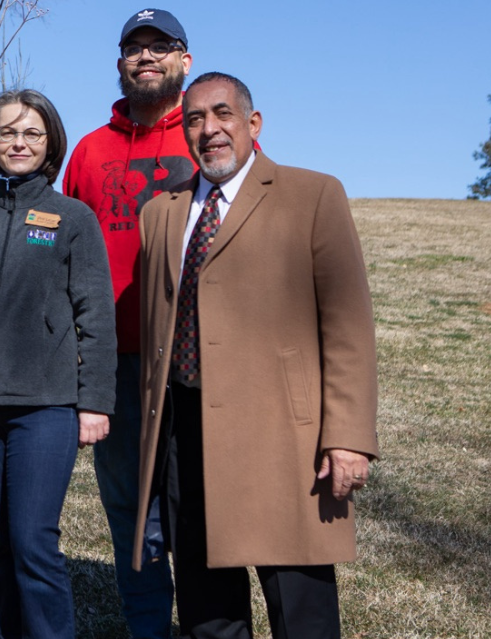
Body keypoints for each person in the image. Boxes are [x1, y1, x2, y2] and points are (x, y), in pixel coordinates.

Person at [134, 72, 378, 639]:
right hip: (185, 433)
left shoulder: (313, 195)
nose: (209, 129)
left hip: (283, 438)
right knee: (206, 610)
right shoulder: (161, 213)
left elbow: (348, 325)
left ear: (253, 123)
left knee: (301, 611)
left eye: (222, 114)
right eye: (195, 119)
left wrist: (347, 437)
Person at [0, 89, 117, 639]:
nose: (19, 142)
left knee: (33, 542)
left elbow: (97, 316)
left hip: (46, 408)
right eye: (7, 132)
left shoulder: (72, 218)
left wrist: (96, 402)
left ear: (50, 142)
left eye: (32, 133)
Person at [61, 7, 194, 638]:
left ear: (184, 60)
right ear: (119, 63)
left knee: (198, 502)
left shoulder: (208, 138)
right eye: (134, 47)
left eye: (159, 45)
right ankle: (148, 628)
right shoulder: (90, 151)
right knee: (130, 506)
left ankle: (208, 624)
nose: (146, 56)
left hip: (195, 360)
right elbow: (61, 251)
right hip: (112, 362)